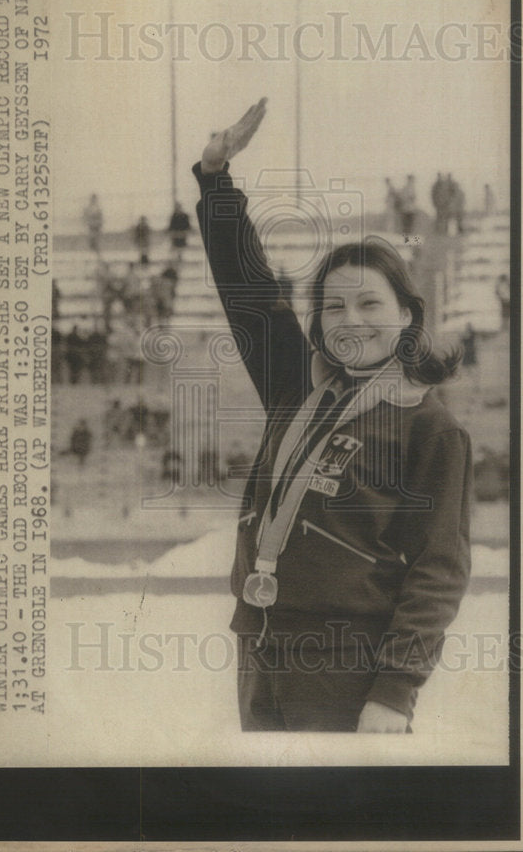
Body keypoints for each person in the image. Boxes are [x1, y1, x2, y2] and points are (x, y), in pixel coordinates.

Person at [193, 99, 471, 734]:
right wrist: (216, 179)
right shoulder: (297, 388)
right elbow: (251, 291)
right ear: (317, 319)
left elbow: (440, 570)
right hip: (261, 648)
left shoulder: (432, 429)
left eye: (370, 303)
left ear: (407, 314)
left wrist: (396, 691)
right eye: (334, 306)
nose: (351, 322)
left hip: (351, 666)